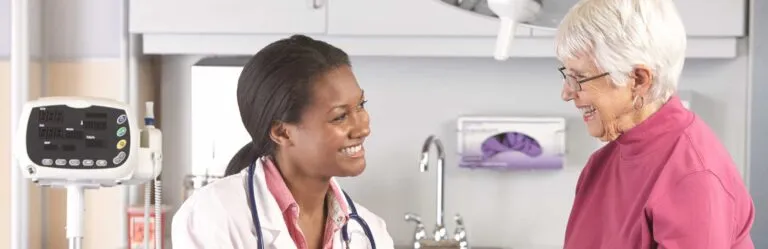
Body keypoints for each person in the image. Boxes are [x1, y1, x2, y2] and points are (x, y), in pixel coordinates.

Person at [554, 0, 755, 248]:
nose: (567, 93)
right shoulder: (601, 164)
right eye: (567, 75)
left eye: (580, 77)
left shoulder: (693, 177)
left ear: (639, 80)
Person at [171, 34, 395, 249]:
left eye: (361, 105)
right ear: (282, 133)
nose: (363, 128)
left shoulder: (371, 233)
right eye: (340, 116)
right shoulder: (213, 216)